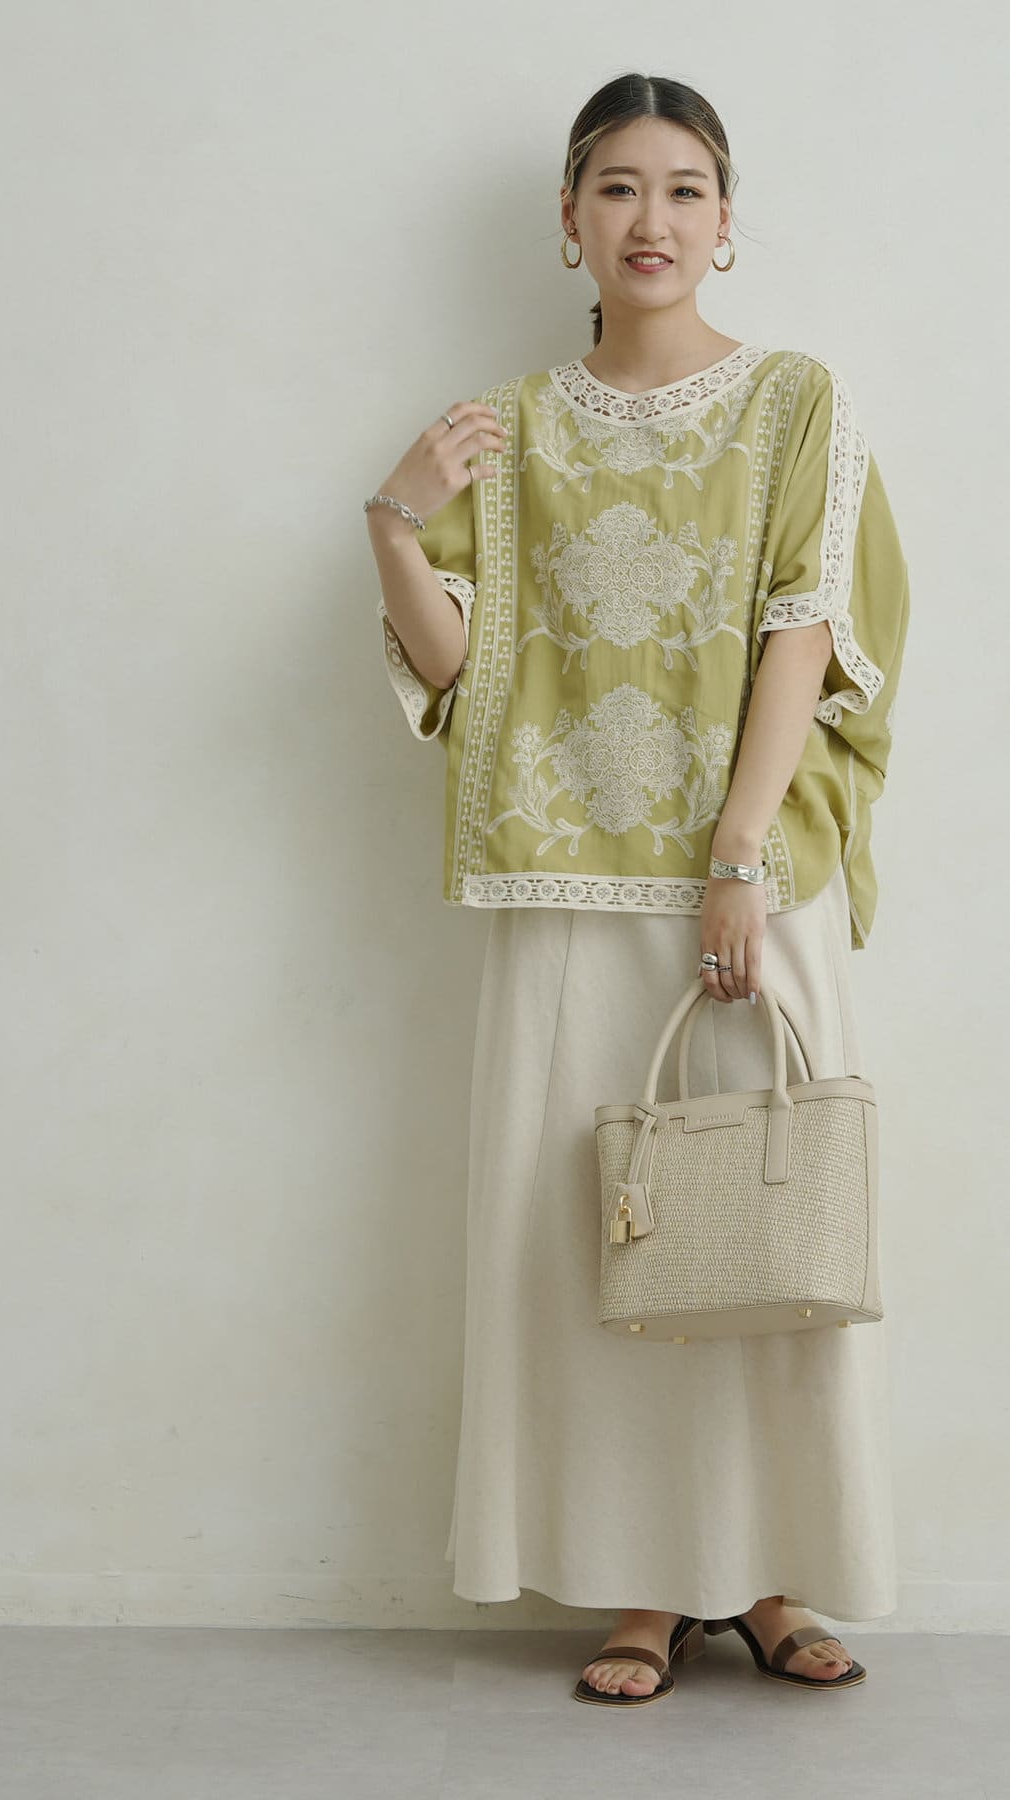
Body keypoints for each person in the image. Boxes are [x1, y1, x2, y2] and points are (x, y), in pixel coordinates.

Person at [363, 72, 911, 1709]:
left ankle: (772, 1580)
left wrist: (738, 855)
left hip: (744, 880)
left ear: (727, 222)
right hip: (569, 893)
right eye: (617, 188)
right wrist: (395, 520)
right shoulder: (512, 428)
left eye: (682, 190)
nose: (650, 219)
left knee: (772, 1227)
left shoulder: (798, 402)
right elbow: (461, 676)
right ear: (569, 220)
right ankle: (642, 1592)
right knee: (600, 1248)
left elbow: (806, 629)